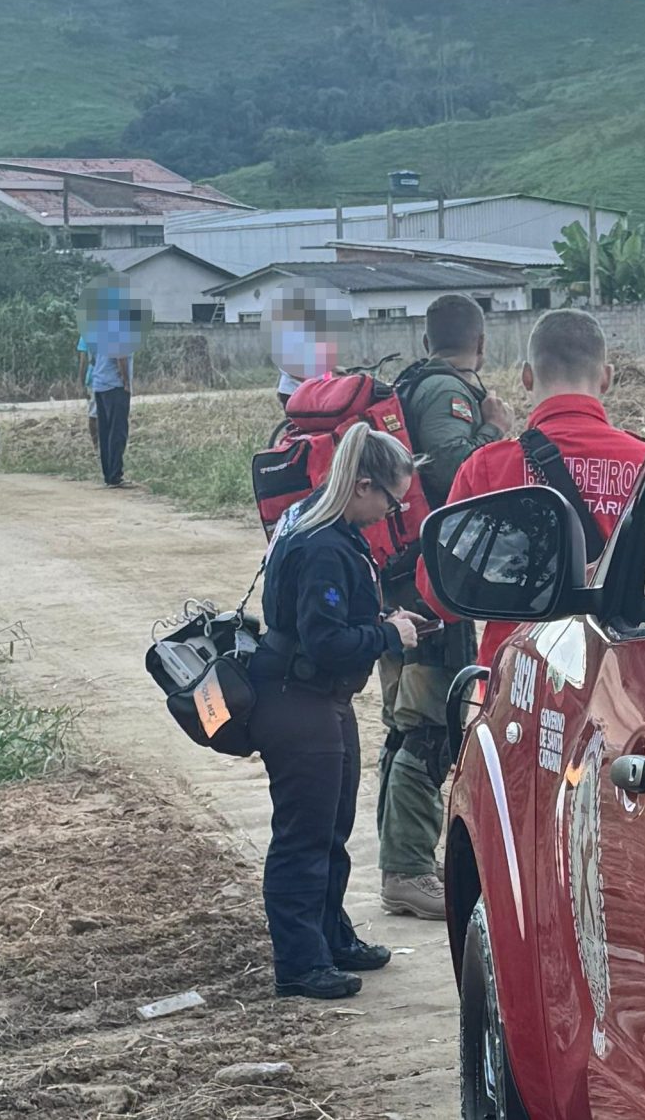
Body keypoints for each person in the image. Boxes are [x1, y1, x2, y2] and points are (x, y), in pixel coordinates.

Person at [250, 423, 426, 999]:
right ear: (363, 484)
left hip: (319, 701)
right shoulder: (325, 544)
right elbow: (324, 641)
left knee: (331, 830)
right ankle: (300, 964)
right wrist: (389, 635)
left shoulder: (312, 517)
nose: (390, 515)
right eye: (390, 501)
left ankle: (331, 937)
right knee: (304, 835)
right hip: (300, 703)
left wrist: (383, 626)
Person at [376, 294, 511, 920]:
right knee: (430, 725)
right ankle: (406, 870)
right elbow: (453, 463)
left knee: (408, 719)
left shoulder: (411, 382)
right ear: (478, 344)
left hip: (401, 579)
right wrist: (493, 426)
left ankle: (399, 861)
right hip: (427, 586)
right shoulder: (446, 393)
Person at [418, 308, 645, 665]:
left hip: (514, 687)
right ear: (606, 378)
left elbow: (439, 596)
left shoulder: (486, 469)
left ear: (526, 377)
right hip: (618, 686)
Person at [87, 286, 140, 488]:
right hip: (114, 386)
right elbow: (121, 357)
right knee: (118, 432)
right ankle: (116, 475)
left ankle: (108, 474)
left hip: (100, 385)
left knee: (105, 431)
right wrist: (126, 382)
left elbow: (93, 358)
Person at [75, 332, 98, 449]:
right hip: (94, 377)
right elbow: (83, 361)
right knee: (94, 414)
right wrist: (81, 380)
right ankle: (96, 447)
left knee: (96, 414)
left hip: (99, 376)